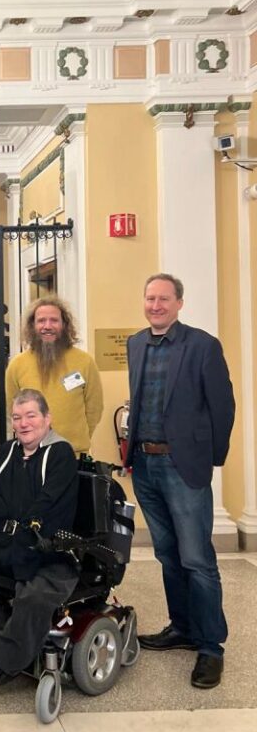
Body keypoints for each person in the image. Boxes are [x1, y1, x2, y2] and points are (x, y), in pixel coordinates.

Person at [126, 274, 235, 689]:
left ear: (179, 304)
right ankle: (183, 627)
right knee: (168, 555)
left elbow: (223, 407)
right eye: (150, 298)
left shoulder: (203, 346)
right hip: (145, 466)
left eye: (164, 299)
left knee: (197, 559)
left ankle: (211, 647)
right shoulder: (136, 344)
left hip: (183, 467)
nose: (155, 305)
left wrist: (210, 458)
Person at [0, 389, 79, 686]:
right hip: (5, 542)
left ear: (47, 418)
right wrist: (0, 510)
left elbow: (47, 503)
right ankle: (7, 645)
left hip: (46, 547)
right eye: (17, 417)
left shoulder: (60, 453)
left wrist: (18, 520)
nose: (23, 424)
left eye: (31, 416)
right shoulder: (9, 451)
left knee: (32, 597)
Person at [5, 295, 103, 456]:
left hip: (74, 454)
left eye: (54, 320)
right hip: (32, 455)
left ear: (64, 325)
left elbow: (94, 409)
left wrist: (76, 440)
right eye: (41, 321)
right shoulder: (16, 365)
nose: (47, 326)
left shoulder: (85, 362)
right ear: (32, 325)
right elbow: (12, 410)